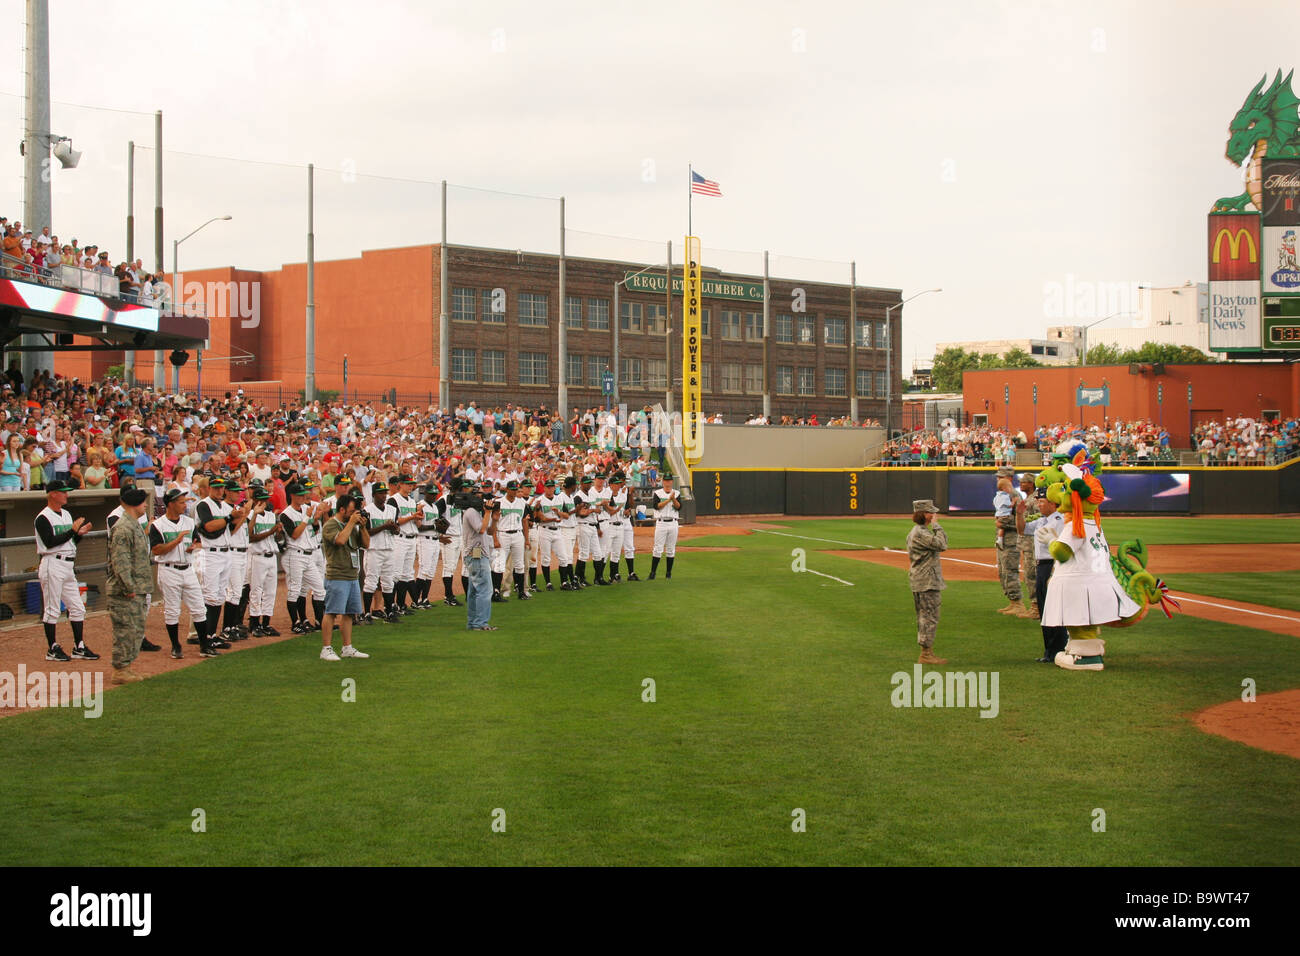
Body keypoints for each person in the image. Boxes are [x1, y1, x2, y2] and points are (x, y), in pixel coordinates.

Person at [35, 479, 98, 662]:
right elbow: (50, 542)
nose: (66, 494)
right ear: (53, 494)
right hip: (51, 564)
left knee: (77, 607)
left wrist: (78, 535)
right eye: (63, 491)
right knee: (52, 609)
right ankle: (52, 648)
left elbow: (69, 542)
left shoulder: (67, 514)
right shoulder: (43, 517)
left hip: (68, 565)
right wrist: (72, 531)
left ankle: (79, 647)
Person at [151, 487, 215, 658]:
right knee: (172, 610)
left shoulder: (189, 522)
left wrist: (193, 547)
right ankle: (175, 646)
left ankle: (204, 645)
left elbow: (198, 543)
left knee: (199, 608)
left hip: (187, 569)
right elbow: (156, 550)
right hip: (168, 570)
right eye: (180, 502)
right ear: (170, 504)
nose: (184, 505)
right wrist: (176, 541)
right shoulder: (158, 525)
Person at [106, 487, 153, 683]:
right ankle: (120, 669)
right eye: (143, 503)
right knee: (125, 629)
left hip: (138, 587)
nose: (146, 506)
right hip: (125, 591)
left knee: (135, 629)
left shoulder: (133, 524)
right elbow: (121, 561)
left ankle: (127, 666)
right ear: (135, 505)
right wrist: (128, 587)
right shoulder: (124, 527)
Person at [319, 492, 371, 661]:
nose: (355, 513)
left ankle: (347, 647)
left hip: (352, 575)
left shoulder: (353, 525)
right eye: (351, 510)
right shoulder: (330, 525)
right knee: (332, 612)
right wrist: (351, 523)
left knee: (349, 613)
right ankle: (326, 648)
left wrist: (362, 527)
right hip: (337, 575)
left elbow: (366, 544)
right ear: (341, 509)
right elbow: (340, 541)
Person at [1025, 488, 1069, 663]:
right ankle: (1050, 651)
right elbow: (1023, 530)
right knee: (1045, 609)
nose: (1038, 504)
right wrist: (1019, 513)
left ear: (1052, 503)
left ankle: (1058, 648)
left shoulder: (1059, 520)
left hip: (1051, 565)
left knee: (1053, 609)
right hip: (1041, 565)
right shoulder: (1042, 520)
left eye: (1041, 501)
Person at [907, 499, 949, 665]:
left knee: (925, 616)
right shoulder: (921, 533)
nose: (933, 515)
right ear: (924, 514)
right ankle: (926, 653)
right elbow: (941, 545)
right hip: (927, 581)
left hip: (921, 579)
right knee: (929, 616)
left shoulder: (917, 531)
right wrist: (937, 526)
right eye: (931, 512)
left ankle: (926, 651)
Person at [461, 480, 498, 630]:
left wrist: (494, 519)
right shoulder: (471, 511)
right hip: (476, 555)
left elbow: (489, 531)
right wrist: (488, 512)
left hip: (477, 554)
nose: (483, 499)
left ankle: (473, 623)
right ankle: (480, 623)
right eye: (480, 496)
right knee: (485, 589)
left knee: (475, 590)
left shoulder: (477, 512)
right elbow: (481, 529)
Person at [246, 483, 281, 637]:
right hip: (257, 557)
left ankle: (266, 623)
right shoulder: (249, 515)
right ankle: (254, 624)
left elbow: (276, 537)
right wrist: (270, 531)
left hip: (271, 556)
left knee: (270, 591)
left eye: (265, 499)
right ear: (254, 500)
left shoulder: (271, 515)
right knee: (256, 590)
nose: (263, 502)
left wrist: (278, 532)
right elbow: (250, 536)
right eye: (260, 500)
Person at [992, 469, 1029, 615]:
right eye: (998, 477)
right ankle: (1012, 602)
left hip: (1011, 538)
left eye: (1001, 477)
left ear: (1010, 478)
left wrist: (1002, 524)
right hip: (1004, 538)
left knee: (1009, 570)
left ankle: (1018, 603)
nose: (998, 479)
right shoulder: (1003, 495)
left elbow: (1021, 520)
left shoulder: (1014, 495)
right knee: (1003, 570)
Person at [493, 479, 530, 600]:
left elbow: (524, 521)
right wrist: (495, 539)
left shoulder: (522, 503)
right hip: (503, 534)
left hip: (518, 534)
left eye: (516, 489)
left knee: (519, 564)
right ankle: (496, 591)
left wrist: (526, 539)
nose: (514, 491)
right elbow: (493, 521)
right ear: (507, 490)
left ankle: (521, 592)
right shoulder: (498, 502)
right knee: (500, 564)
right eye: (512, 489)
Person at [1017, 473, 1041, 615]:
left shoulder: (1035, 499)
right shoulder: (1029, 499)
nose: (1021, 484)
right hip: (1027, 542)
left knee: (1032, 573)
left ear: (1031, 484)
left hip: (1033, 542)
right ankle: (1035, 605)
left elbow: (1039, 520)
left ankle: (1036, 606)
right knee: (1029, 573)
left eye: (1024, 482)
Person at [648, 473, 680, 579]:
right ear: (663, 482)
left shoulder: (677, 493)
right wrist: (669, 500)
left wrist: (674, 499)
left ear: (672, 481)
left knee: (671, 549)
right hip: (661, 523)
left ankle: (668, 574)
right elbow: (656, 506)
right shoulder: (658, 493)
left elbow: (679, 507)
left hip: (673, 522)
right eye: (665, 480)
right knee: (657, 548)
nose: (667, 482)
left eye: (669, 480)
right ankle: (653, 573)